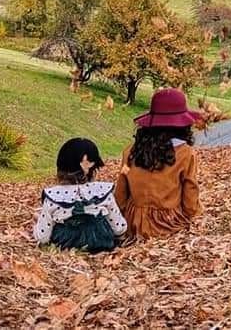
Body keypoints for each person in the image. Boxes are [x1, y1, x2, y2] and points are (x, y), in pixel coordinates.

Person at [114, 88, 203, 239]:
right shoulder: (186, 153)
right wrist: (193, 216)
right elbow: (190, 196)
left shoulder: (130, 151)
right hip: (168, 223)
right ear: (183, 124)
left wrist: (121, 218)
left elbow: (121, 193)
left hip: (134, 222)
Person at [33, 138, 128, 252]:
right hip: (101, 244)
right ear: (93, 167)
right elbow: (119, 228)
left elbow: (43, 237)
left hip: (66, 246)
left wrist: (36, 225)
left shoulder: (53, 196)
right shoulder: (102, 192)